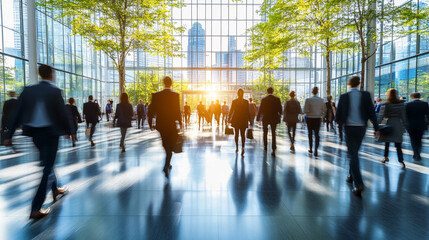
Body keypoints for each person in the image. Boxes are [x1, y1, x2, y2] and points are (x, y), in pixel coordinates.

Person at [3, 64, 72, 219]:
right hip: (51, 134)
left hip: (36, 135)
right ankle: (36, 208)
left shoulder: (28, 90)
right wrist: (69, 132)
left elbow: (16, 113)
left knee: (48, 163)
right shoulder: (54, 91)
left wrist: (8, 136)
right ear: (52, 74)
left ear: (40, 75)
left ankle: (55, 189)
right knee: (47, 168)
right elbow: (62, 114)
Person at [336, 76, 379, 197]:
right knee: (354, 153)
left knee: (353, 154)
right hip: (361, 128)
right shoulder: (365, 95)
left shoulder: (344, 96)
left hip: (349, 128)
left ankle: (359, 183)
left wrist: (338, 123)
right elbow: (372, 112)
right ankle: (350, 176)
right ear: (359, 83)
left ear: (349, 84)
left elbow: (338, 114)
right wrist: (376, 128)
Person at [148, 76, 182, 179]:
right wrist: (180, 122)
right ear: (171, 83)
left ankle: (167, 162)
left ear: (163, 83)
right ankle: (167, 164)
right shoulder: (175, 95)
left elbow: (151, 111)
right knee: (170, 145)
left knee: (165, 143)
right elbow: (177, 110)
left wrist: (150, 123)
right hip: (171, 125)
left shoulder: (156, 96)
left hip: (161, 125)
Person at [377, 88, 407, 169]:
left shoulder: (386, 104)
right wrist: (404, 126)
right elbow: (403, 116)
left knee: (387, 142)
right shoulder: (401, 104)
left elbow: (381, 116)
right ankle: (401, 161)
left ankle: (386, 157)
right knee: (398, 144)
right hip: (398, 125)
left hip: (388, 124)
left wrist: (377, 126)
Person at [257, 87, 282, 156]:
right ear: (273, 91)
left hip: (266, 118)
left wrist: (257, 118)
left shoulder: (264, 99)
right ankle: (273, 148)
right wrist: (279, 116)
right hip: (274, 118)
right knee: (273, 133)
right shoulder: (277, 99)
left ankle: (265, 146)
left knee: (265, 132)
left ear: (267, 91)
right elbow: (280, 110)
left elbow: (260, 109)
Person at [303, 87, 326, 157]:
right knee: (317, 134)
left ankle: (310, 148)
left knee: (310, 133)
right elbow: (324, 110)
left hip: (310, 118)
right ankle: (316, 149)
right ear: (317, 92)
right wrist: (321, 115)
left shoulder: (308, 100)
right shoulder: (321, 100)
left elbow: (305, 110)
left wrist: (309, 112)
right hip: (318, 118)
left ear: (312, 92)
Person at [405, 93, 429, 161]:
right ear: (419, 97)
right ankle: (418, 153)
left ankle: (416, 153)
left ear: (412, 97)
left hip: (411, 125)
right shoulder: (425, 104)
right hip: (421, 124)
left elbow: (405, 115)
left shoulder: (408, 104)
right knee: (419, 139)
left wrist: (405, 124)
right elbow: (428, 115)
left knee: (413, 139)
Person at [228, 89, 251, 156]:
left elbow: (231, 111)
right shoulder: (246, 102)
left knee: (236, 134)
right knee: (242, 134)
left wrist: (229, 118)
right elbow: (247, 112)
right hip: (243, 120)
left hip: (236, 120)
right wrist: (250, 120)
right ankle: (243, 147)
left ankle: (237, 147)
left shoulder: (234, 101)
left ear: (237, 94)